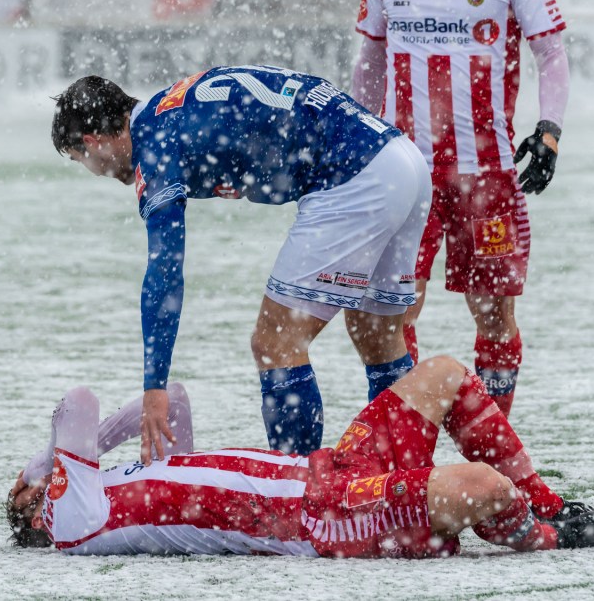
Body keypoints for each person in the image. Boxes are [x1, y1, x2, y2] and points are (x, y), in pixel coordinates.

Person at [51, 66, 431, 463]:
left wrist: (154, 386)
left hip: (355, 175)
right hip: (399, 156)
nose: (95, 172)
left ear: (93, 142)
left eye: (80, 160)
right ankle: (406, 472)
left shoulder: (154, 147)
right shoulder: (171, 104)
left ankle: (296, 487)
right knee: (378, 336)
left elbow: (165, 271)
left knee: (277, 343)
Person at [6, 356, 594, 556]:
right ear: (37, 512)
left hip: (332, 469)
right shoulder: (74, 522)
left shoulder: (109, 484)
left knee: (444, 374)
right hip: (323, 519)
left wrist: (61, 465)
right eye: (37, 488)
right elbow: (78, 403)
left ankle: (548, 502)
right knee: (486, 486)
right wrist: (37, 468)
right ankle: (545, 536)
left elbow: (172, 398)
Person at [350, 0, 571, 417]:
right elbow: (370, 60)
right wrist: (358, 135)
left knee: (493, 316)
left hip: (486, 175)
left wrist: (549, 129)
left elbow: (551, 53)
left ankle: (492, 443)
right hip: (406, 175)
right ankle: (404, 441)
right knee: (395, 312)